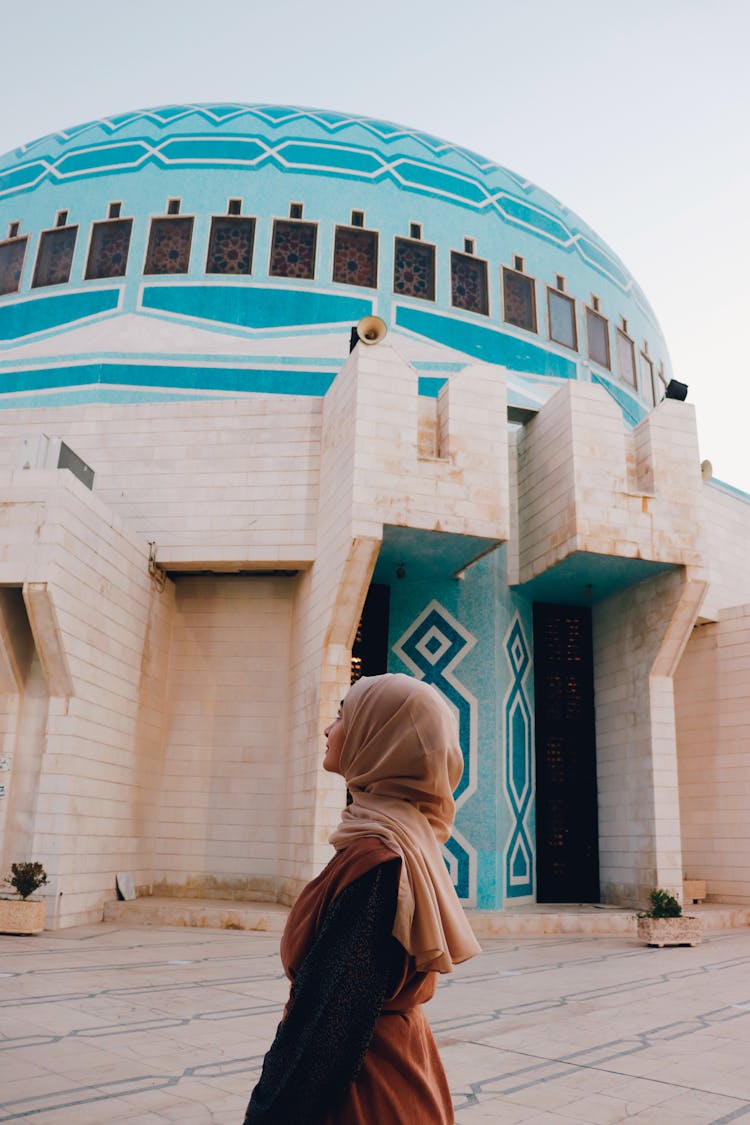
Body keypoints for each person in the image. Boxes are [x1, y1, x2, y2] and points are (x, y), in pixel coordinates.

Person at [243, 672, 481, 1124]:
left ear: (380, 738)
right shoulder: (402, 841)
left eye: (342, 715)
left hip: (364, 1099)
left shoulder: (377, 859)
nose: (329, 729)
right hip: (404, 1075)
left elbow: (329, 1023)